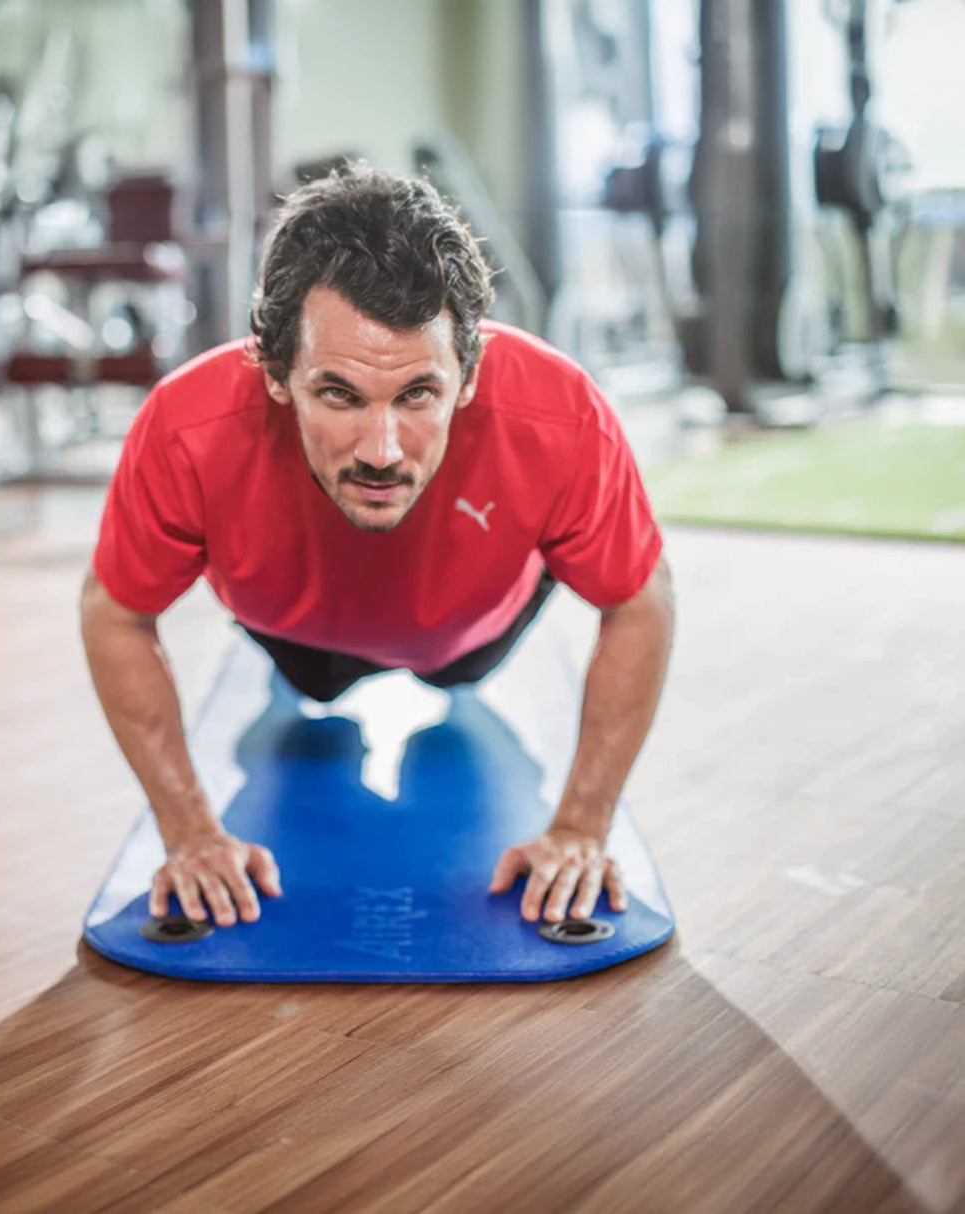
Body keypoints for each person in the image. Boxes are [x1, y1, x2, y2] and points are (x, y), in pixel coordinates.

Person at [81, 164, 674, 932]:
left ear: (470, 374)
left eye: (417, 394)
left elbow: (641, 598)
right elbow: (114, 612)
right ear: (273, 371)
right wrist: (189, 830)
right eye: (339, 394)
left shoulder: (559, 415)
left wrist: (581, 829)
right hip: (296, 635)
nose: (383, 450)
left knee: (453, 678)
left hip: (473, 630)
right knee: (318, 697)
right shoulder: (185, 428)